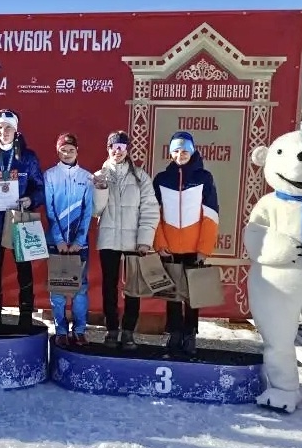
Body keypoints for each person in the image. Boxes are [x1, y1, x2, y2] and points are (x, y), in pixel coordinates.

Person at [0, 108, 45, 330]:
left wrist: (31, 200)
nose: (4, 132)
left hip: (19, 219)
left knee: (24, 267)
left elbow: (40, 188)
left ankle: (25, 315)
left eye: (8, 128)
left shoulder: (28, 158)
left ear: (16, 130)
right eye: (0, 128)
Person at [92, 130, 160, 349]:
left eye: (121, 147)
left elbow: (150, 209)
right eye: (114, 147)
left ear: (127, 150)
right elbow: (95, 210)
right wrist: (100, 188)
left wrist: (144, 240)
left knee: (133, 288)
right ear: (108, 148)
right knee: (109, 286)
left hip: (133, 241)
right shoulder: (99, 175)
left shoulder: (140, 177)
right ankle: (112, 330)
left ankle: (129, 332)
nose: (117, 151)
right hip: (108, 239)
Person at [153, 131, 219, 356]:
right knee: (172, 294)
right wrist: (160, 243)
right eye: (176, 151)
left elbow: (211, 214)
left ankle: (190, 334)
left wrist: (204, 248)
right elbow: (154, 214)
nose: (180, 155)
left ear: (192, 152)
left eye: (184, 151)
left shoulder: (204, 178)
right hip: (169, 248)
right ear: (171, 153)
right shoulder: (162, 179)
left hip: (194, 248)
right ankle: (174, 333)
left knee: (193, 295)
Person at [43, 133, 93, 346]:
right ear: (58, 151)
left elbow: (88, 211)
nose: (67, 153)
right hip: (57, 242)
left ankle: (79, 330)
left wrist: (79, 240)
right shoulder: (49, 175)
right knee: (58, 289)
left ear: (77, 151)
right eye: (63, 150)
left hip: (80, 243)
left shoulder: (87, 177)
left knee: (80, 289)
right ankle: (61, 330)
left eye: (71, 150)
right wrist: (58, 239)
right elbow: (49, 209)